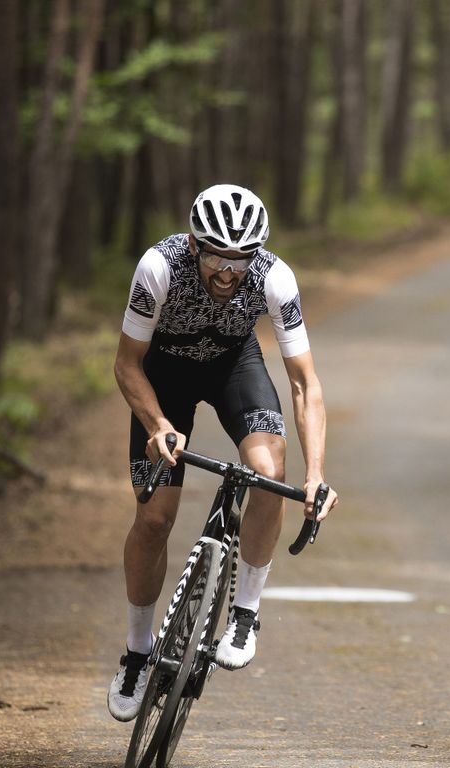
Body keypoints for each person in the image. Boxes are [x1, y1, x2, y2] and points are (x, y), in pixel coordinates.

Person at [107, 183, 339, 722]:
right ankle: (138, 654)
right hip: (163, 372)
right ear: (194, 246)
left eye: (240, 260)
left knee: (269, 470)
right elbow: (126, 364)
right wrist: (159, 424)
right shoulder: (158, 268)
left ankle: (244, 612)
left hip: (234, 366)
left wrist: (317, 475)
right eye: (216, 257)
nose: (228, 273)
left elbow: (305, 384)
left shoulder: (275, 277)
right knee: (155, 519)